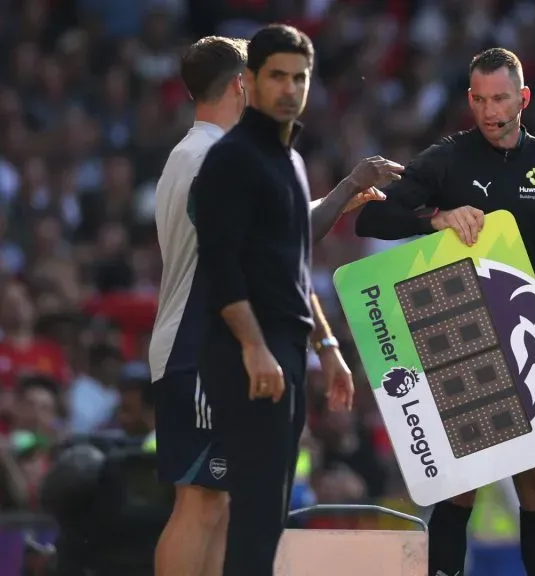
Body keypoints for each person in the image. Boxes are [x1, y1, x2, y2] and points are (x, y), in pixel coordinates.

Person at [151, 34, 396, 576]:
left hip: (201, 341)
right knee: (200, 502)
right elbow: (273, 243)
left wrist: (337, 197)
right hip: (200, 343)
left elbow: (273, 244)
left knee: (219, 504)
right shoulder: (212, 156)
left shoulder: (197, 154)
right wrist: (344, 190)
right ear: (243, 85)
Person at [355, 47, 535, 576]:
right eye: (481, 100)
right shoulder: (446, 158)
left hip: (526, 336)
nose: (491, 112)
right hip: (459, 333)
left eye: (501, 99)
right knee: (462, 484)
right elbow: (370, 218)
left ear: (524, 98)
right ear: (470, 99)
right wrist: (435, 218)